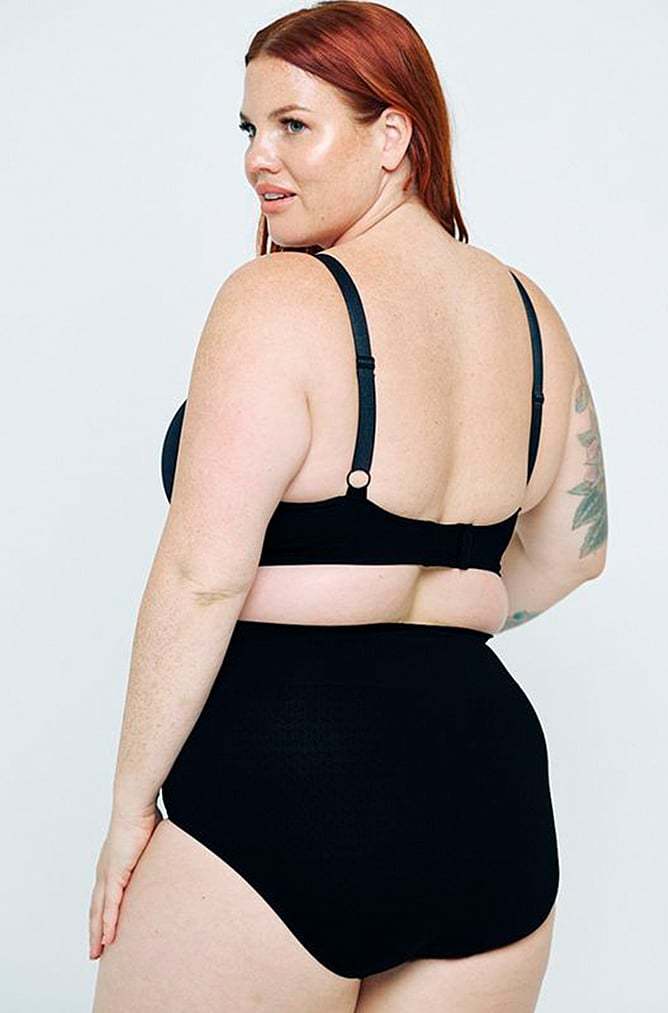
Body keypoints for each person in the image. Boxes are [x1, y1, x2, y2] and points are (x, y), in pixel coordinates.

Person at [89, 2, 608, 1010]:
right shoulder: (532, 315)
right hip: (486, 790)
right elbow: (573, 552)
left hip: (287, 771)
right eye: (250, 127)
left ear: (392, 136)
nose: (258, 157)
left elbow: (201, 578)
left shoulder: (276, 298)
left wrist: (127, 809)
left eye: (294, 124)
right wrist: (431, 607)